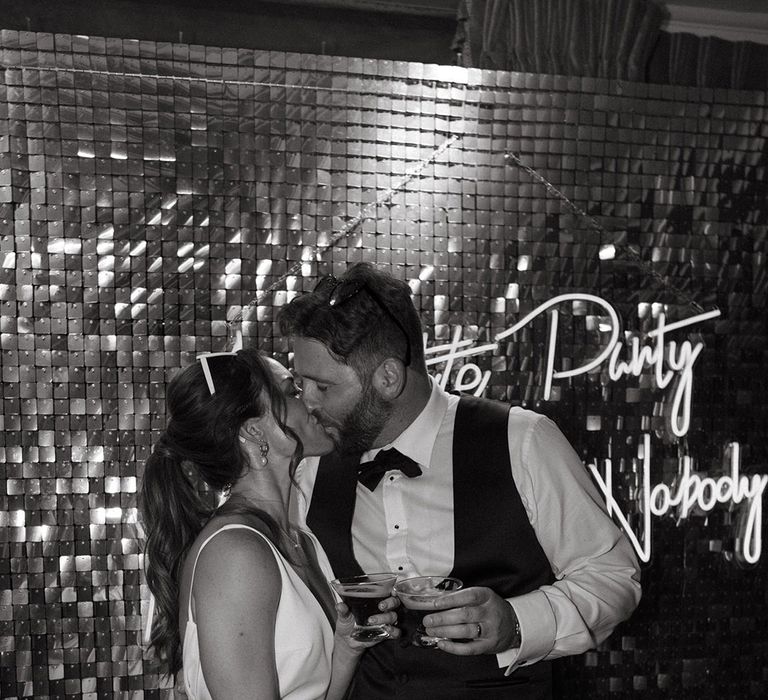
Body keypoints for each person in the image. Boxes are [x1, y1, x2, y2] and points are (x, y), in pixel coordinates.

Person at [278, 263, 642, 699]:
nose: (308, 403)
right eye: (300, 384)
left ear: (388, 378)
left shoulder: (521, 440)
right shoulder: (310, 470)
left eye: (322, 386)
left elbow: (614, 577)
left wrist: (516, 622)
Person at [140, 349, 398, 699]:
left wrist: (347, 649)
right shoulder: (235, 555)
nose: (310, 399)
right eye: (291, 391)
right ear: (253, 430)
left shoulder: (300, 539)